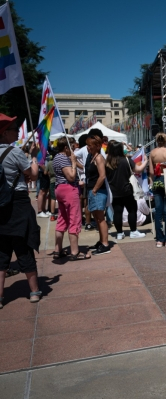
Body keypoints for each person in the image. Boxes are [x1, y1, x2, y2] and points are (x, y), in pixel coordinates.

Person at [0, 115, 42, 307]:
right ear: (4, 132)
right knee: (23, 245)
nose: (17, 132)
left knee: (2, 251)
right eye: (14, 129)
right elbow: (33, 174)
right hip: (17, 203)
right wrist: (33, 156)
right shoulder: (14, 152)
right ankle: (34, 291)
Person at [52, 137, 90, 261]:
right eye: (72, 147)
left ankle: (58, 249)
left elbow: (81, 167)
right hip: (68, 190)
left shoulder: (57, 157)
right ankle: (75, 252)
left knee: (62, 220)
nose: (74, 149)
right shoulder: (63, 158)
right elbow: (71, 177)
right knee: (74, 219)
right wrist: (73, 162)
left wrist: (75, 161)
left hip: (60, 189)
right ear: (66, 147)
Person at [105, 140, 147, 240]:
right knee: (132, 210)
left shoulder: (107, 162)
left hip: (113, 191)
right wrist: (145, 161)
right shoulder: (126, 160)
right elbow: (138, 169)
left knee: (117, 212)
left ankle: (119, 233)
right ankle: (133, 231)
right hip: (127, 190)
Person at [85, 131, 110, 255]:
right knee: (97, 217)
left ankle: (105, 243)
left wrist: (94, 189)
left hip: (98, 191)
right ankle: (101, 241)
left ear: (97, 146)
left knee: (100, 218)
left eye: (90, 145)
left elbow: (102, 176)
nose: (88, 147)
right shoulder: (92, 157)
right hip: (93, 190)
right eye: (87, 145)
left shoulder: (99, 158)